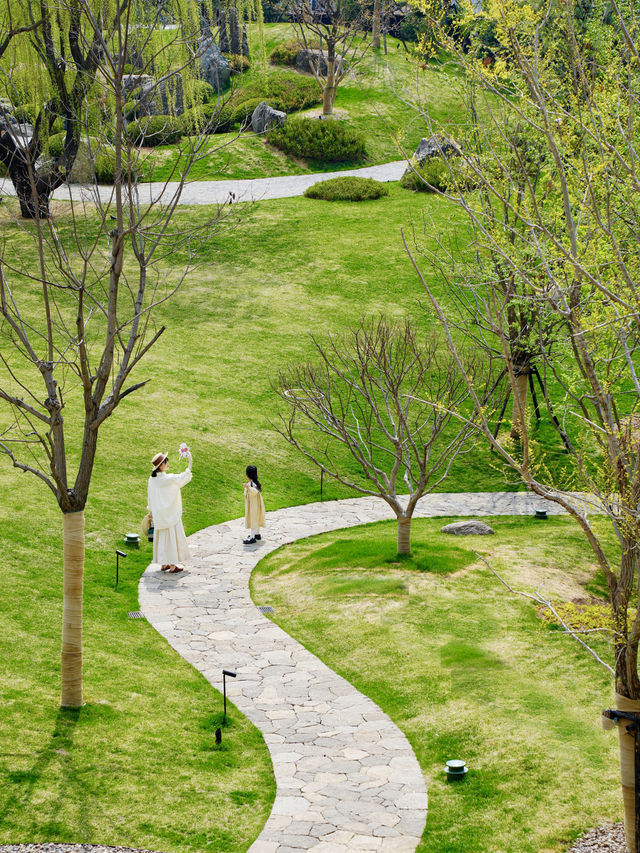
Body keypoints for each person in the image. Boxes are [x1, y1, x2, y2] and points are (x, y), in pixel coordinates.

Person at [147, 449, 193, 573]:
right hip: (169, 513)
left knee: (162, 538)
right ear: (161, 465)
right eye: (166, 461)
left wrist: (150, 510)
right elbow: (183, 477)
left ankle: (164, 563)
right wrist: (190, 461)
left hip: (159, 514)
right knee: (171, 537)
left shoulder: (153, 480)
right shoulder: (167, 479)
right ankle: (172, 565)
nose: (168, 463)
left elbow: (150, 496)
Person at [243, 464, 265, 545]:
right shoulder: (255, 482)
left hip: (253, 505)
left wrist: (247, 488)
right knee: (257, 518)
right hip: (255, 504)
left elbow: (254, 492)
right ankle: (257, 534)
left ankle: (252, 538)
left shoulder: (251, 484)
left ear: (247, 474)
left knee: (253, 519)